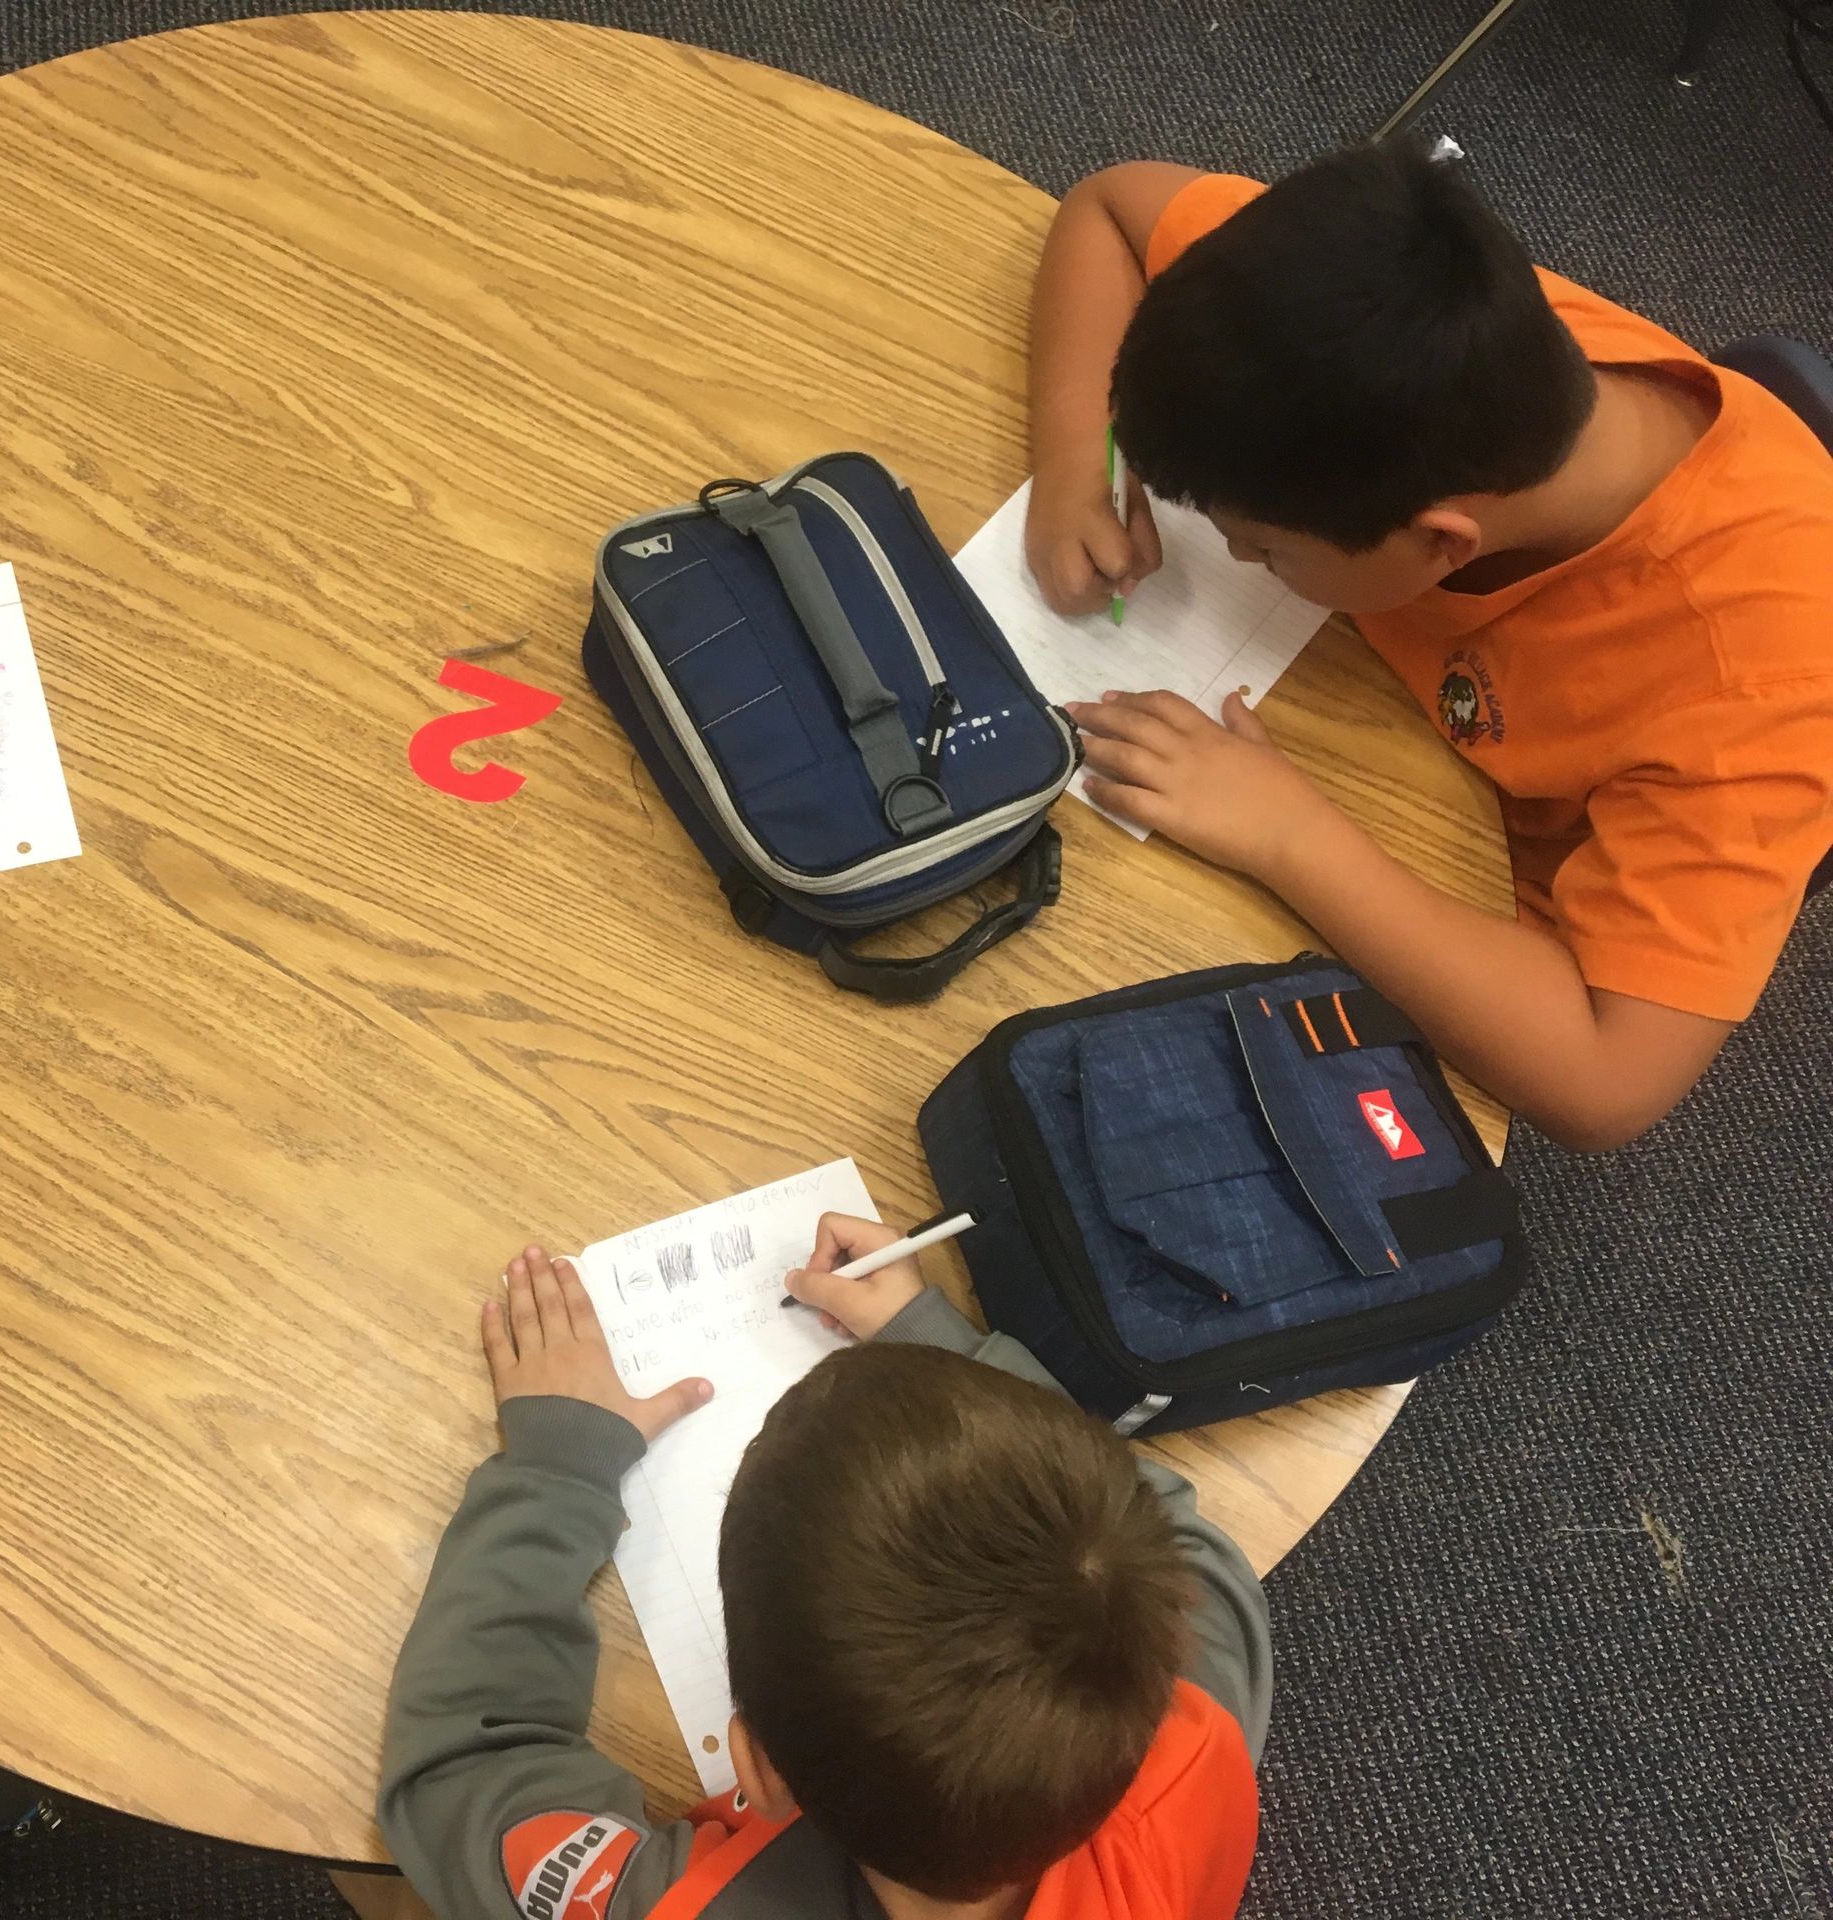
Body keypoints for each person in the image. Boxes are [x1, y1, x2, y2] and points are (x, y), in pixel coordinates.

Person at [1022, 142, 1833, 1152]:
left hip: (1473, 888)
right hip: (1360, 715)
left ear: (1439, 542)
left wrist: (1290, 835)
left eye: (1262, 546)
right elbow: (1113, 203)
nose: (1229, 555)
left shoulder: (1754, 692)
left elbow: (1606, 1083)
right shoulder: (1404, 333)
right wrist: (1073, 456)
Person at [381, 1219, 1269, 1920]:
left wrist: (556, 1464)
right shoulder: (1196, 1736)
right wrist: (936, 1348)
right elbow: (1175, 1543)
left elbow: (462, 1771)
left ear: (760, 1770)